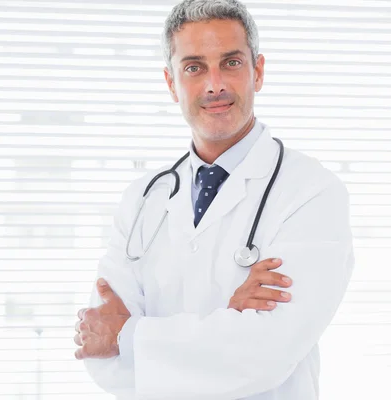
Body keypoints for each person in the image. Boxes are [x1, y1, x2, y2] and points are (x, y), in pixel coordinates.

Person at [73, 0, 355, 399]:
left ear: (257, 71)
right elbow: (101, 353)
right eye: (194, 67)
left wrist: (131, 335)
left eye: (231, 63)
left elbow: (266, 354)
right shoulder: (142, 199)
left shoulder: (311, 192)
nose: (214, 85)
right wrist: (228, 321)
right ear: (172, 83)